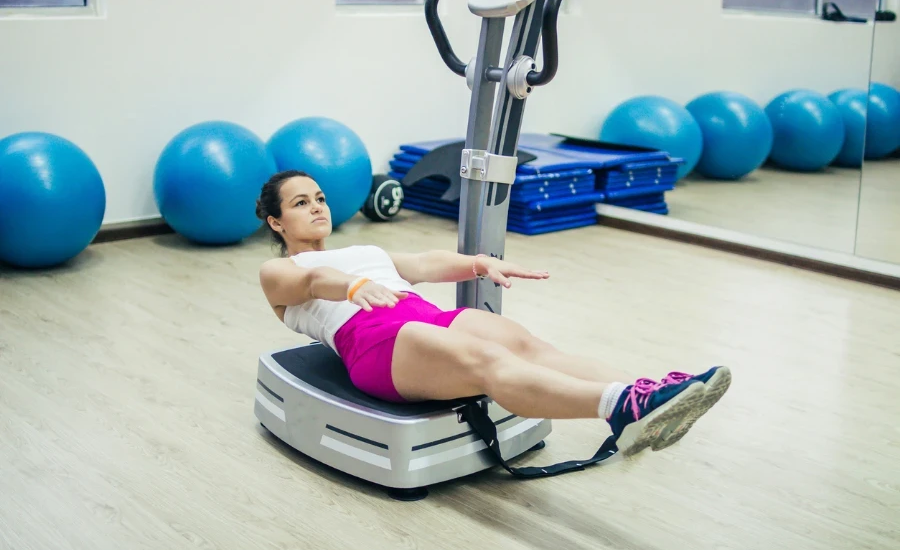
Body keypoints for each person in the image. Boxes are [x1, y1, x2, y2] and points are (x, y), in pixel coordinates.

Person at [256, 170, 731, 457]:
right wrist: (353, 285)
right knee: (490, 362)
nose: (317, 207)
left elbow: (420, 265)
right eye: (301, 203)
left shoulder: (363, 248)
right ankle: (618, 408)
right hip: (374, 341)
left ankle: (647, 397)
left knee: (528, 346)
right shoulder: (278, 268)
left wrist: (478, 263)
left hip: (421, 315)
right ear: (277, 222)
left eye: (319, 197)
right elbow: (313, 284)